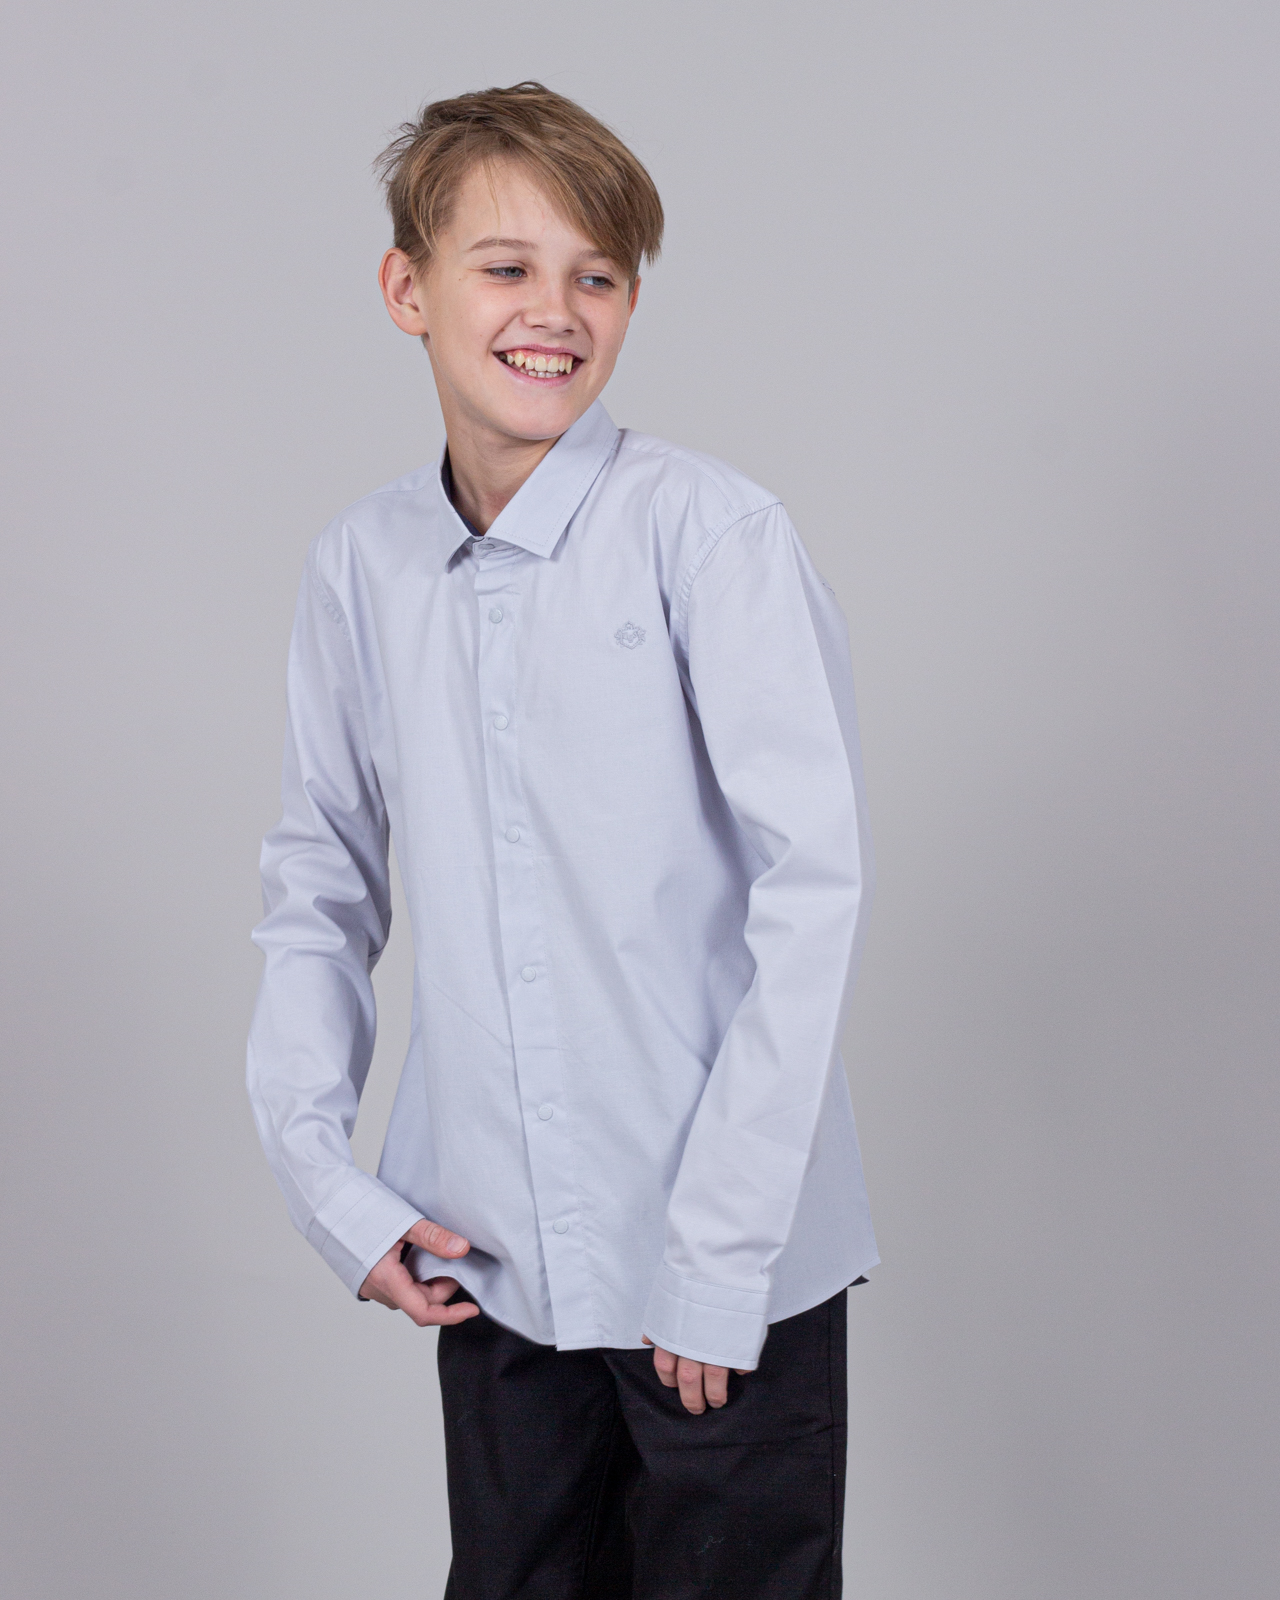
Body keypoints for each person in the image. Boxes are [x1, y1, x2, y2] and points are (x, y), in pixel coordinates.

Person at [246, 81, 878, 1599]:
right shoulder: (361, 567)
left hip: (716, 1279)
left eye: (598, 274)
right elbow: (320, 880)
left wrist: (718, 1259)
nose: (556, 310)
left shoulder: (711, 538)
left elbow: (812, 894)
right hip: (499, 1269)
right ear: (408, 288)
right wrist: (332, 1187)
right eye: (507, 266)